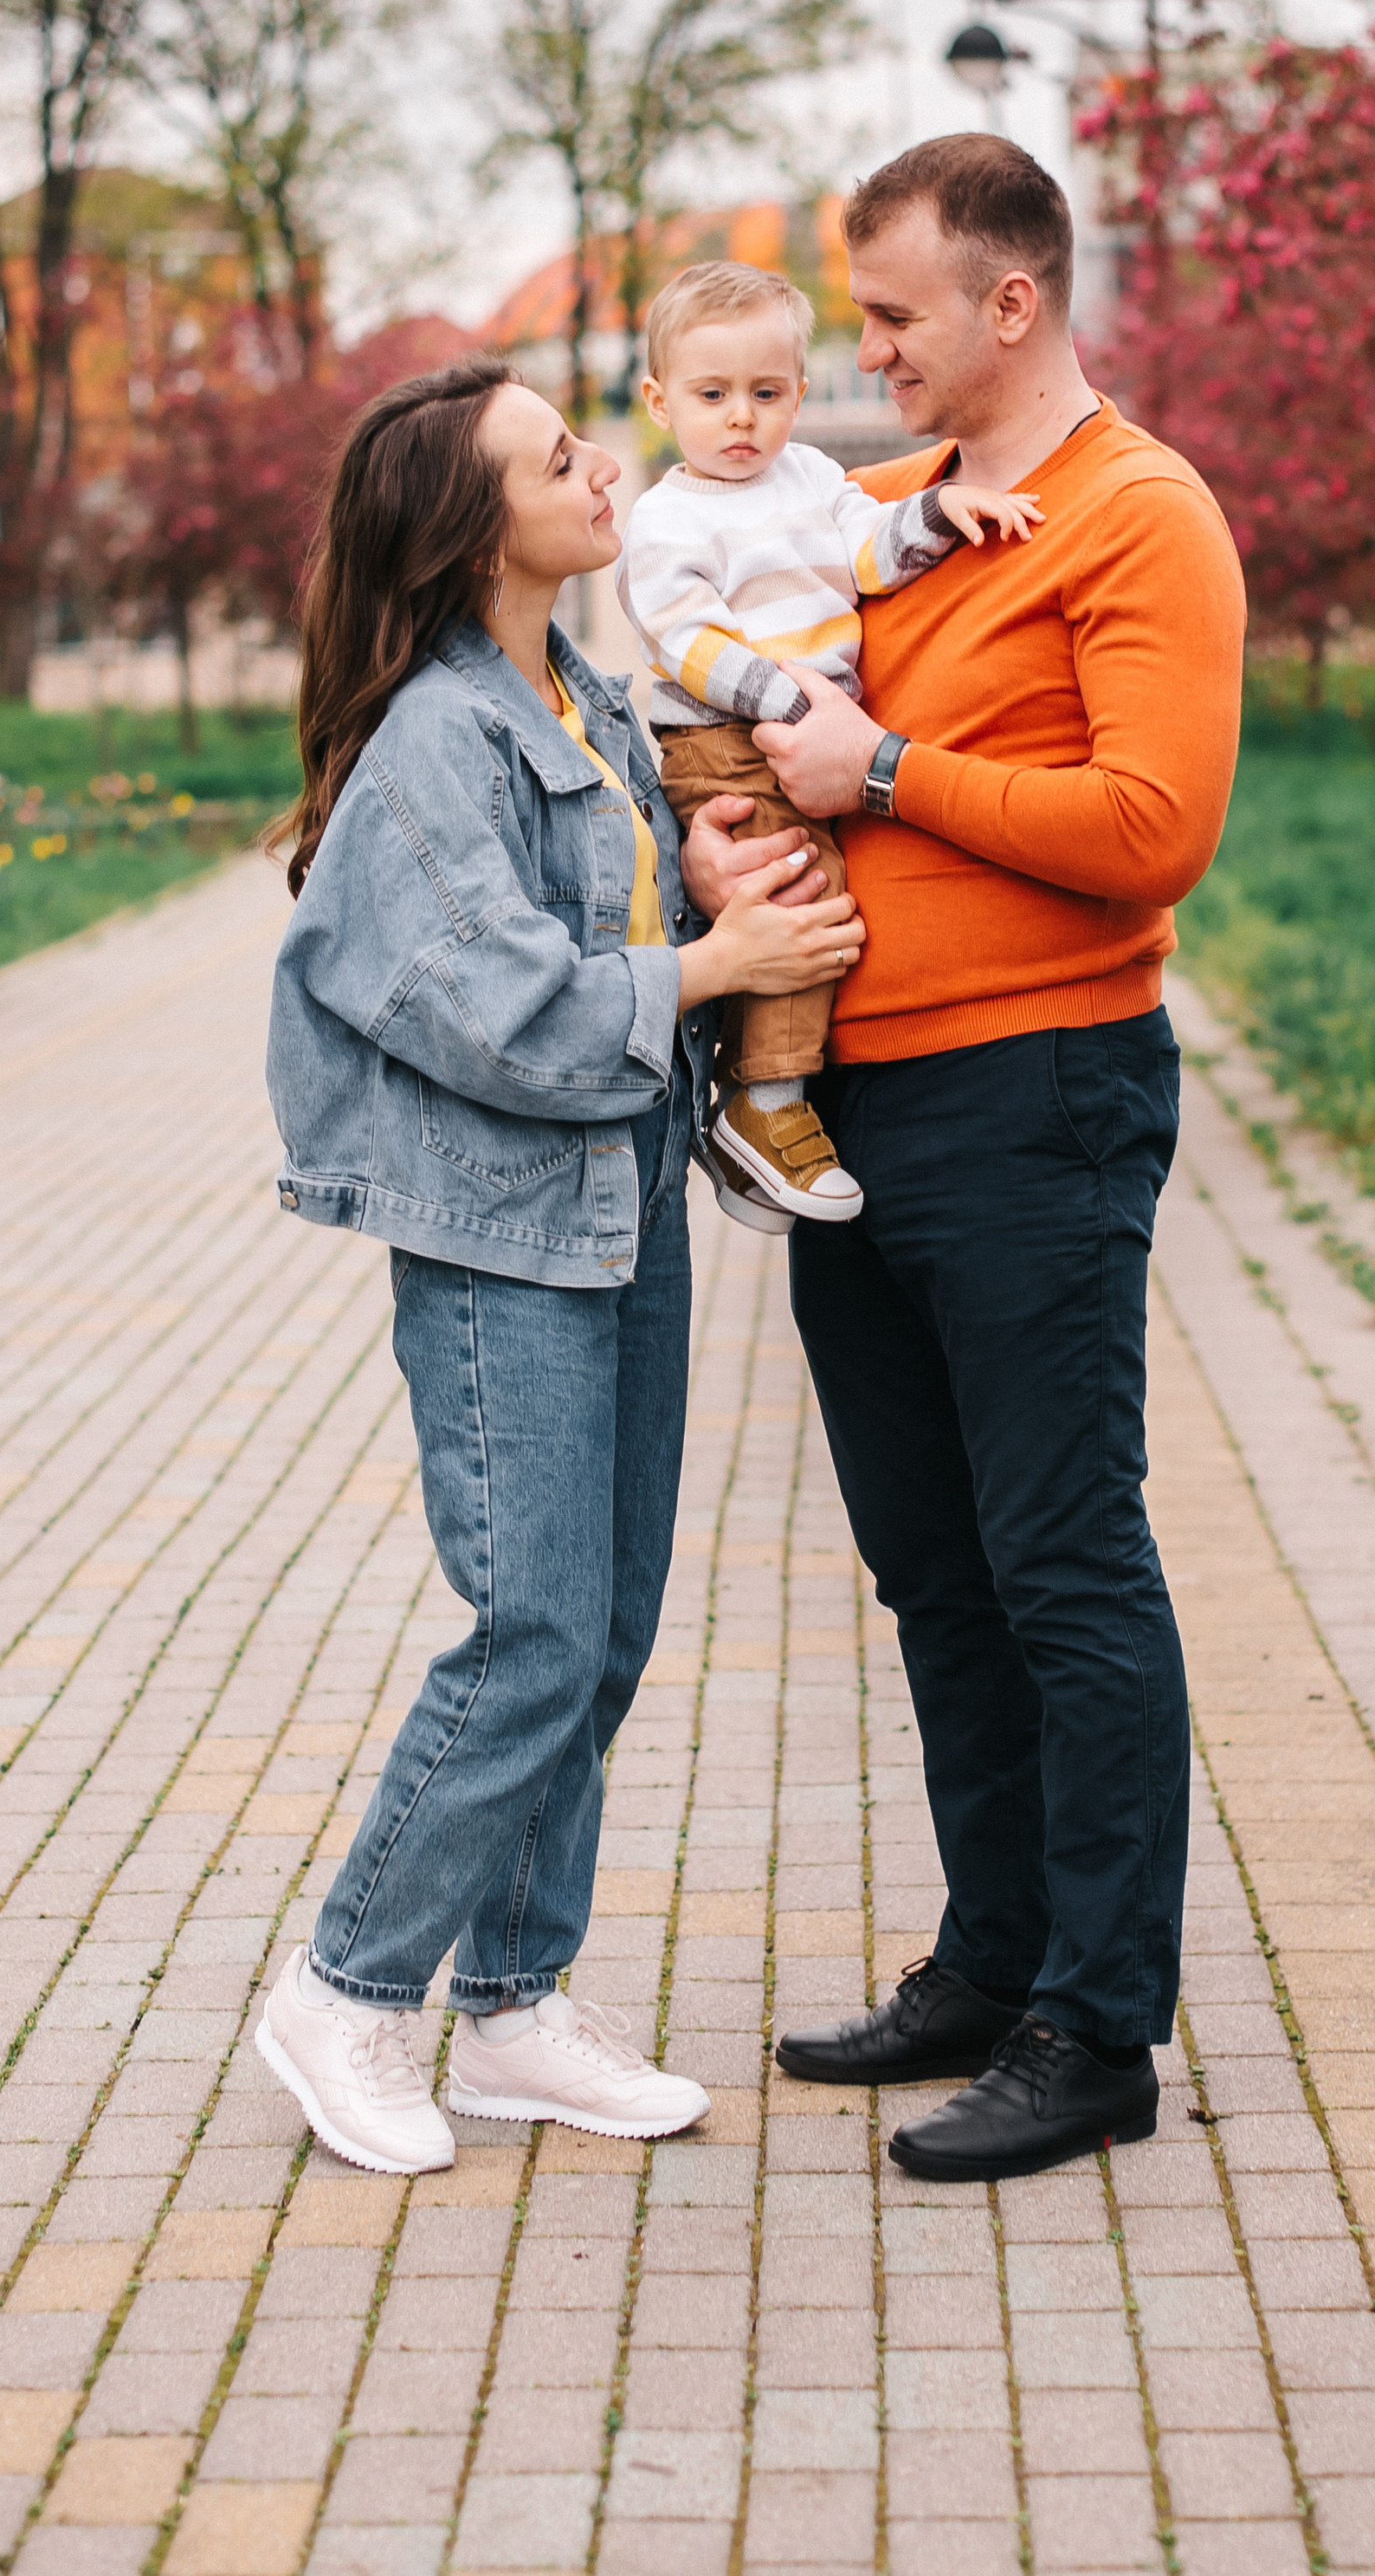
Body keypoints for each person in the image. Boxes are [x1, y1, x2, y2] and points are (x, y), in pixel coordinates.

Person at [685, 133, 1245, 2182]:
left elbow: (1149, 825)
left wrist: (891, 769)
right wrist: (730, 830)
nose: (866, 348)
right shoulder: (884, 521)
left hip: (1036, 1094)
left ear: (1009, 301)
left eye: (896, 313)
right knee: (932, 1569)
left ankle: (1098, 2028)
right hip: (852, 1108)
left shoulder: (1133, 512)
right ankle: (991, 1960)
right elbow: (764, 735)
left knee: (1060, 1559)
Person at [258, 353, 865, 2176]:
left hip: (615, 1208)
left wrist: (695, 887)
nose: (603, 465)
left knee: (598, 1633)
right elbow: (495, 1007)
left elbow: (587, 918)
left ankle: (512, 2011)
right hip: (499, 1233)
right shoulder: (439, 731)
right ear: (472, 525)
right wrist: (712, 973)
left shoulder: (576, 689)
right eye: (554, 457)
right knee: (527, 1632)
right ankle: (347, 1991)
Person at [617, 256, 1039, 1222]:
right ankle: (764, 1107)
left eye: (766, 394)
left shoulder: (809, 476)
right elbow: (683, 640)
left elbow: (869, 549)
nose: (741, 418)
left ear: (800, 395)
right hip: (726, 733)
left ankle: (755, 1120)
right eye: (712, 394)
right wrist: (785, 698)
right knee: (803, 893)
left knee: (802, 895)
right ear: (658, 400)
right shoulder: (668, 516)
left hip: (788, 721)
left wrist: (940, 512)